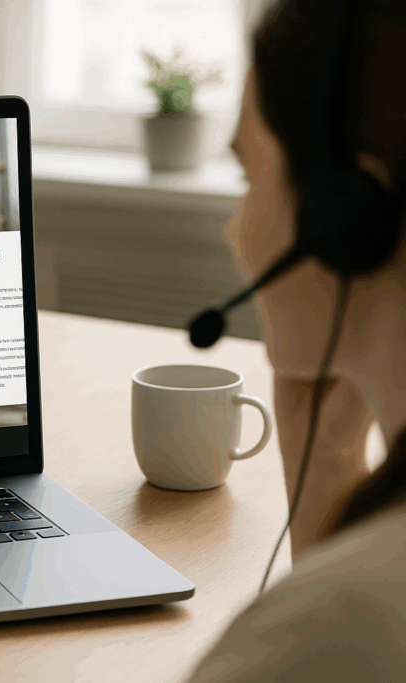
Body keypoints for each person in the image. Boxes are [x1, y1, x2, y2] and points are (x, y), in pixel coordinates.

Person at [183, 0, 406, 679]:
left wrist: (325, 586)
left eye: (249, 179)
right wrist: (326, 490)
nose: (235, 233)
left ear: (346, 217)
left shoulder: (340, 618)